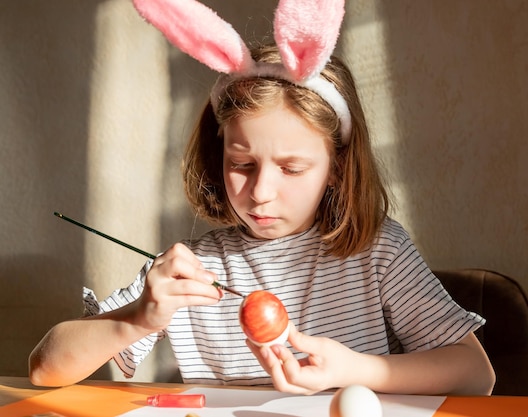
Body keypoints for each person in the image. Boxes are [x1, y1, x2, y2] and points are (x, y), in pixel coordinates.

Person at [29, 0, 495, 395]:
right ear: (219, 158)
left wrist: (358, 370)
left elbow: (478, 374)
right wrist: (135, 320)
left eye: (291, 168)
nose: (261, 193)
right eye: (242, 165)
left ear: (336, 168)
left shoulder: (378, 251)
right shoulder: (193, 270)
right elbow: (45, 369)